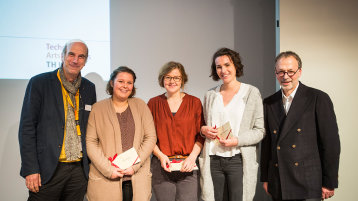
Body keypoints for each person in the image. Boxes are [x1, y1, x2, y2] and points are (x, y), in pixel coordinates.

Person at [18, 39, 96, 201]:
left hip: (78, 171)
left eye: (81, 56)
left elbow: (90, 128)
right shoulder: (40, 83)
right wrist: (31, 169)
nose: (75, 60)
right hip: (48, 169)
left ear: (86, 61)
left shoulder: (89, 88)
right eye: (71, 54)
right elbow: (27, 128)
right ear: (62, 56)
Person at [260, 51, 341, 201]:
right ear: (275, 73)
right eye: (281, 72)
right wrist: (265, 177)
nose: (285, 76)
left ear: (300, 72)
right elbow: (267, 144)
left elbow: (331, 144)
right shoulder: (268, 102)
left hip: (308, 181)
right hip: (279, 180)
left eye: (291, 71)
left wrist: (329, 182)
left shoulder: (318, 98)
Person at [199, 47, 264, 201]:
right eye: (219, 67)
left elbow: (259, 130)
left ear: (235, 65)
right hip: (213, 159)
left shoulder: (251, 93)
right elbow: (202, 125)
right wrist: (203, 130)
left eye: (227, 65)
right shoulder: (210, 95)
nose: (223, 70)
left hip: (238, 159)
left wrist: (237, 140)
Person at [86, 66, 156, 201]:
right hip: (107, 178)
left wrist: (134, 166)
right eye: (121, 81)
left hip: (136, 177)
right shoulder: (97, 109)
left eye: (129, 83)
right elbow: (91, 142)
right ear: (112, 83)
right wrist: (108, 169)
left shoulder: (141, 105)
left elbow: (150, 137)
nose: (125, 86)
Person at [147, 61, 204, 201]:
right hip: (162, 166)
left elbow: (201, 136)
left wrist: (192, 158)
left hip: (188, 167)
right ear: (162, 79)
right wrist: (160, 156)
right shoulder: (153, 103)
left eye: (176, 77)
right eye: (168, 77)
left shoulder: (194, 102)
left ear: (182, 80)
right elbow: (148, 136)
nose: (172, 81)